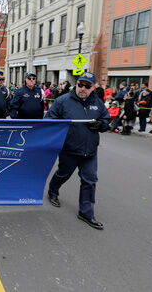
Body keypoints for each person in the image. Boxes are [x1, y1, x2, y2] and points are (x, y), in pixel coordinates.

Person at [45, 72, 111, 230]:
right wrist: (60, 125)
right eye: (80, 85)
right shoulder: (63, 101)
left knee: (90, 180)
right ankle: (53, 191)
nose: (82, 88)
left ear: (93, 88)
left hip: (90, 151)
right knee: (63, 174)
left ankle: (86, 213)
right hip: (69, 149)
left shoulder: (98, 103)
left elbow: (107, 120)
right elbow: (48, 119)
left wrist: (101, 125)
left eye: (87, 86)